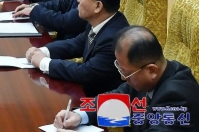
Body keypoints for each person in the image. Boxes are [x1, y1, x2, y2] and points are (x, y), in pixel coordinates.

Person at [54, 26, 199, 132]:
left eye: (126, 73)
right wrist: (80, 115)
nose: (123, 78)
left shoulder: (178, 97)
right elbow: (119, 101)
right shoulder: (149, 78)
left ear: (151, 70)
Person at [25, 0, 129, 96]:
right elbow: (76, 44)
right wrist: (43, 51)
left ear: (97, 6)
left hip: (101, 105)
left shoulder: (114, 38)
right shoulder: (102, 20)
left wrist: (44, 63)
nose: (78, 0)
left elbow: (86, 73)